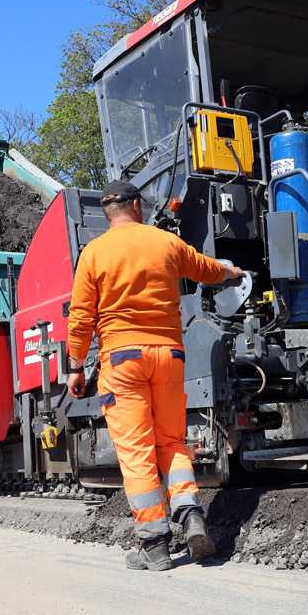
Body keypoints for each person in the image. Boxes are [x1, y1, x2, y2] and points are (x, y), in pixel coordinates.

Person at [66, 180, 245, 571]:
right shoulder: (164, 241)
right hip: (169, 356)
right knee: (172, 442)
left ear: (108, 212)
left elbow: (80, 317)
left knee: (136, 453)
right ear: (135, 206)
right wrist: (231, 272)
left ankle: (156, 546)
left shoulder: (93, 253)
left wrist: (75, 366)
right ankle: (190, 514)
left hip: (122, 359)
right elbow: (205, 269)